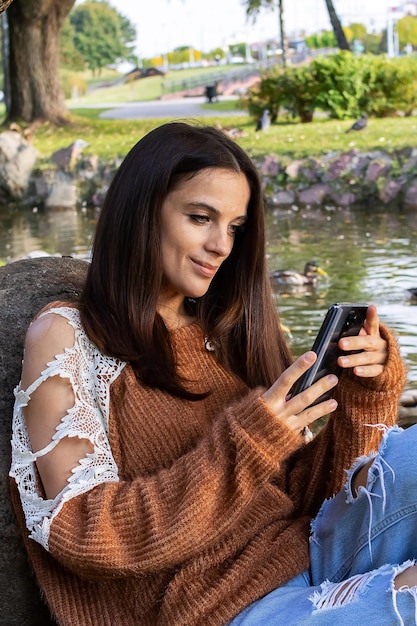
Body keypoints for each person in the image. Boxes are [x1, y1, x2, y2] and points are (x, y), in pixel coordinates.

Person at [9, 121, 415, 626]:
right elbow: (87, 535)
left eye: (234, 228)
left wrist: (360, 395)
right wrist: (248, 442)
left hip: (310, 552)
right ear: (140, 211)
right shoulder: (67, 335)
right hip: (214, 609)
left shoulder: (226, 328)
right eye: (201, 218)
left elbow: (310, 498)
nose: (222, 245)